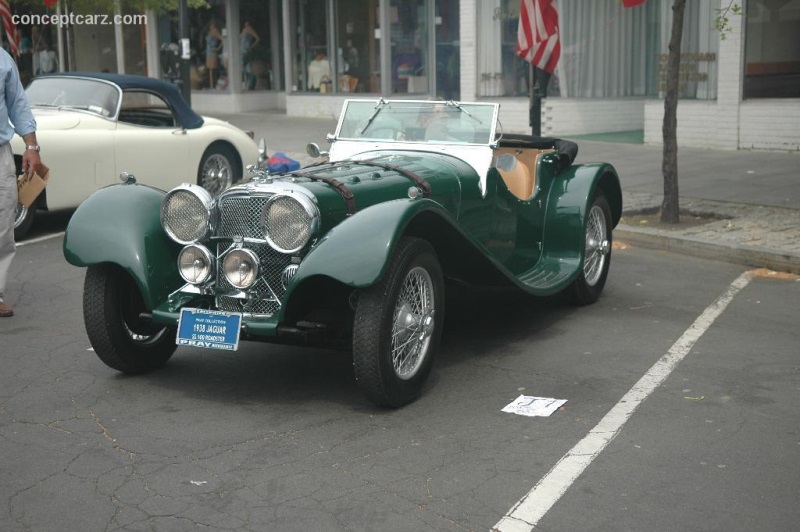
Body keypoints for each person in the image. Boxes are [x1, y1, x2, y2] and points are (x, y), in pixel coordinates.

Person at [0, 48, 41, 318]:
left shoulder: (2, 58)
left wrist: (32, 145)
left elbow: (18, 103)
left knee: (3, 225)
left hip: (0, 152)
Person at [240, 20, 260, 90]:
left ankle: (250, 85)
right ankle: (245, 85)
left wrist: (251, 46)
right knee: (244, 69)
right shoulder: (244, 30)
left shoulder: (249, 29)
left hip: (246, 51)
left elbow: (257, 38)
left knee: (245, 67)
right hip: (242, 51)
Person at [205, 20, 223, 89]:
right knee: (209, 68)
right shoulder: (209, 32)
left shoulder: (215, 31)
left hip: (212, 52)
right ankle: (211, 84)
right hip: (208, 51)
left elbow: (222, 39)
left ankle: (213, 84)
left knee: (212, 68)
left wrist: (217, 48)